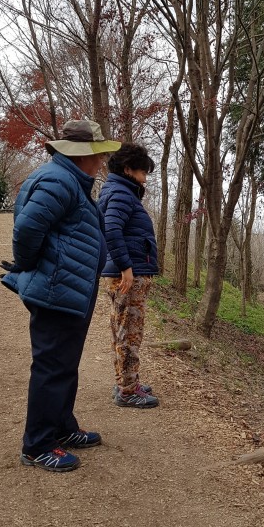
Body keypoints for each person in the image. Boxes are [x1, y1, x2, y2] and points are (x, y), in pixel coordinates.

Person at [1, 119, 121, 472]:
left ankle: (61, 426)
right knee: (52, 366)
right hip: (56, 290)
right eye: (96, 155)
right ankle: (37, 444)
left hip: (69, 290)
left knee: (64, 364)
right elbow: (26, 229)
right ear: (80, 155)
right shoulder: (58, 179)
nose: (100, 162)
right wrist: (28, 265)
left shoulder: (69, 179)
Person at [98, 143, 160, 409]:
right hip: (128, 274)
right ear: (127, 169)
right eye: (142, 172)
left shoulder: (118, 192)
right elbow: (111, 230)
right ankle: (127, 390)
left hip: (125, 272)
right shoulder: (122, 194)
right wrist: (127, 268)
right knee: (130, 332)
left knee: (121, 329)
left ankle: (126, 380)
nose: (145, 178)